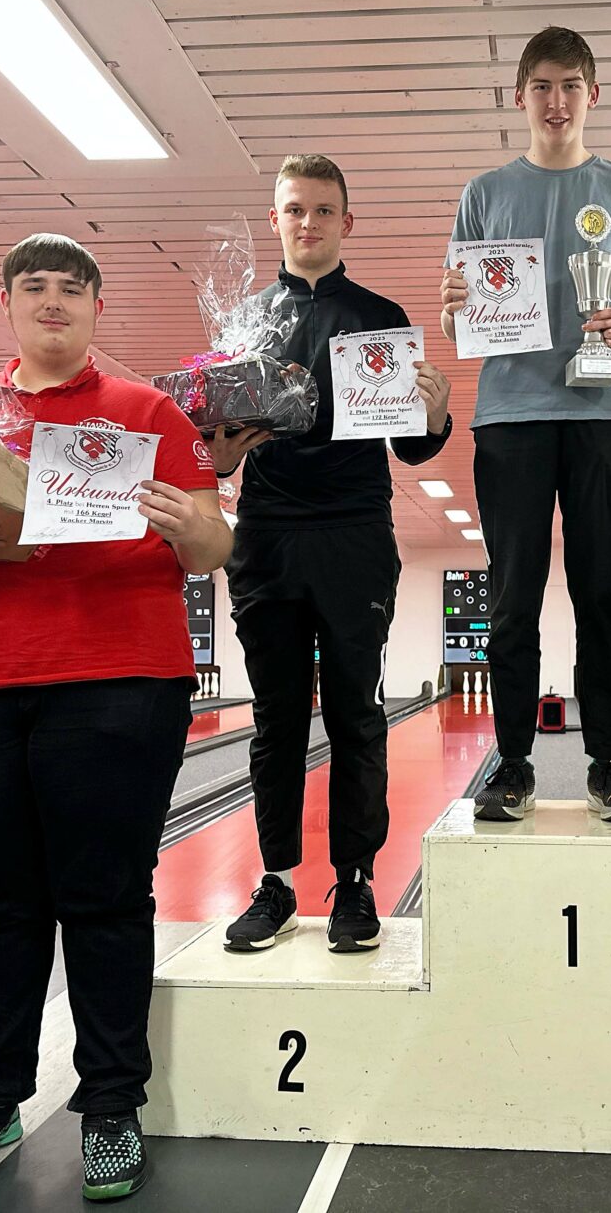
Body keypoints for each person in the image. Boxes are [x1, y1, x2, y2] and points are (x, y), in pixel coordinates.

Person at [0, 234, 231, 1203]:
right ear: (7, 303)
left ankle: (111, 1106)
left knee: (105, 897)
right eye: (34, 287)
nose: (53, 302)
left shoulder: (148, 413)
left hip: (116, 678)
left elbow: (211, 545)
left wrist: (189, 525)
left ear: (96, 309)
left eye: (72, 289)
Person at [213, 153, 452, 955]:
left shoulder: (380, 317)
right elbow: (217, 452)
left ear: (346, 222)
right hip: (267, 535)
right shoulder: (244, 323)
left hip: (354, 534)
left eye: (322, 210)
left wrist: (435, 415)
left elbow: (412, 448)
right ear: (275, 220)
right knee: (276, 719)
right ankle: (277, 881)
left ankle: (355, 881)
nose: (307, 223)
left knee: (356, 714)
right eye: (294, 210)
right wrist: (220, 446)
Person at [438, 26, 611, 824]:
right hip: (511, 415)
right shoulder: (483, 192)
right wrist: (454, 309)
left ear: (592, 94)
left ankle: (606, 763)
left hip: (607, 413)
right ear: (520, 97)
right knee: (512, 596)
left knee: (601, 590)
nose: (556, 100)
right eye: (541, 85)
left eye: (570, 84)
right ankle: (512, 762)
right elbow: (461, 319)